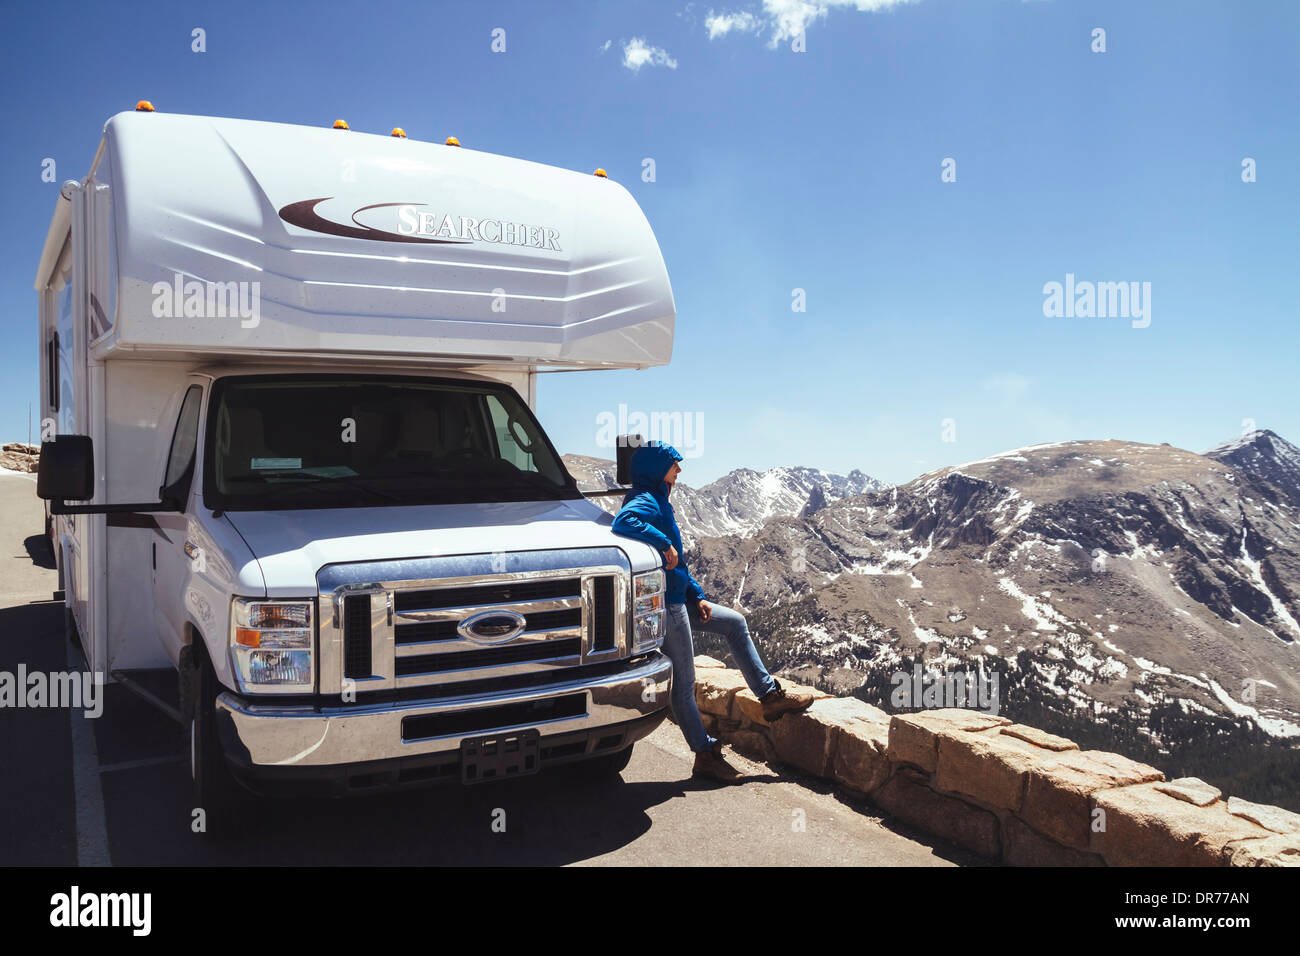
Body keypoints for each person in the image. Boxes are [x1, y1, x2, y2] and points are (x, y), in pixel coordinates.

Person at [611, 440, 814, 783]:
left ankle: (770, 697)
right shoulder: (644, 499)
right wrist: (663, 543)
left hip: (682, 599)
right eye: (674, 464)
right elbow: (623, 522)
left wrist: (698, 595)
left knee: (735, 623)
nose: (679, 470)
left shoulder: (661, 500)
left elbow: (680, 565)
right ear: (658, 469)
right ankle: (705, 755)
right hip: (669, 607)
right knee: (685, 685)